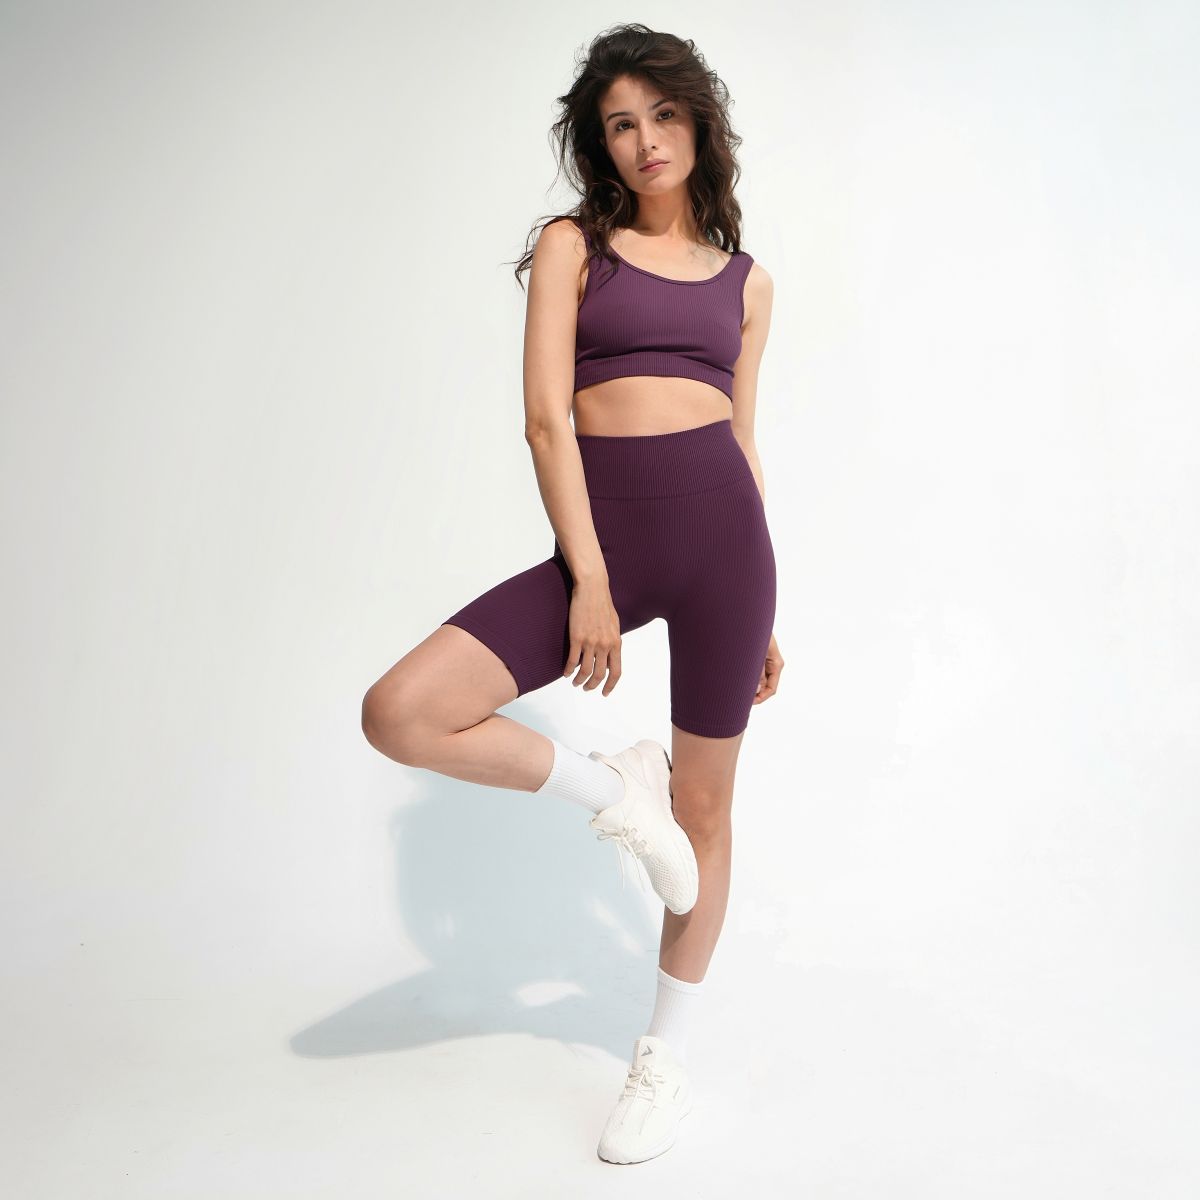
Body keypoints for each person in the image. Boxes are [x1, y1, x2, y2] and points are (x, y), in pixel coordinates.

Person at [361, 23, 784, 1165]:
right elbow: (548, 421)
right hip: (607, 548)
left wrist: (766, 610)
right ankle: (613, 787)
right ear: (601, 145)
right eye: (621, 125)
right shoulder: (573, 247)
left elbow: (743, 443)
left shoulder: (748, 284)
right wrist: (588, 575)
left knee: (707, 818)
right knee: (401, 709)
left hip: (730, 552)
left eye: (663, 115)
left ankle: (662, 1063)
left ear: (699, 123)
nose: (646, 140)